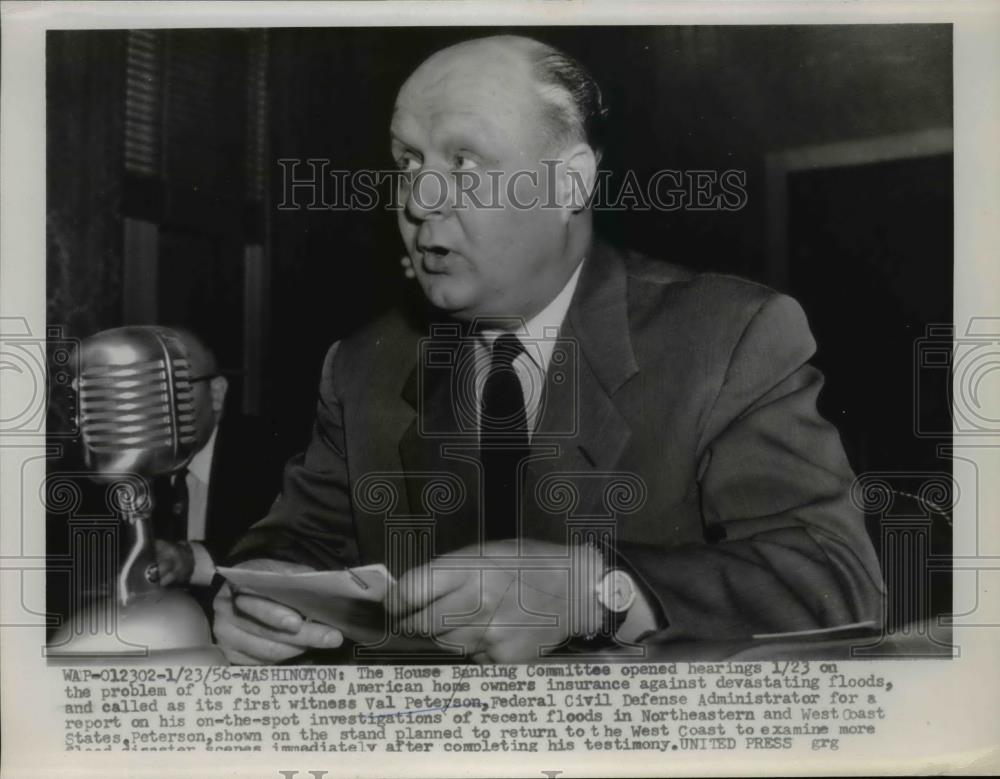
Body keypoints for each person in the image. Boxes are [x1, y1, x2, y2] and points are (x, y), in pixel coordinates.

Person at [212, 35, 884, 665]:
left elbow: (837, 579)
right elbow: (295, 542)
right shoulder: (363, 365)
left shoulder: (731, 336)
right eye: (408, 162)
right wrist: (261, 589)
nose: (418, 199)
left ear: (571, 183)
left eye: (465, 162)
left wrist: (594, 589)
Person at [152, 330, 281, 596]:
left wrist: (189, 559)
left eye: (174, 386)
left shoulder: (273, 459)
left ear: (217, 392)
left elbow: (273, 551)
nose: (158, 405)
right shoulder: (129, 469)